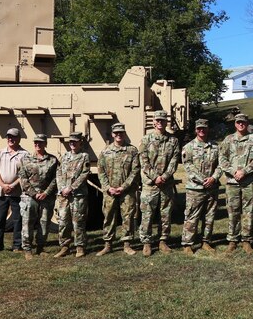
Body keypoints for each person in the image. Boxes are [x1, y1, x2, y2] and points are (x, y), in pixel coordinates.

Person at [219, 113, 253, 254]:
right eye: (238, 122)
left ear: (247, 123)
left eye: (243, 122)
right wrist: (233, 171)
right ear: (235, 124)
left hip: (249, 180)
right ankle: (233, 239)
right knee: (233, 211)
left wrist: (244, 171)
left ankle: (246, 240)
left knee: (249, 211)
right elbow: (222, 159)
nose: (241, 124)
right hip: (232, 181)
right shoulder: (228, 139)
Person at [138, 110, 181, 257]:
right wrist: (155, 177)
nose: (160, 123)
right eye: (158, 120)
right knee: (147, 214)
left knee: (165, 213)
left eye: (163, 120)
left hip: (166, 184)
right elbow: (143, 161)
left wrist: (165, 176)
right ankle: (147, 242)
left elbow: (174, 161)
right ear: (153, 122)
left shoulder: (173, 140)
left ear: (166, 122)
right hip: (150, 184)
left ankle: (163, 241)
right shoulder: (146, 139)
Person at [97, 122, 140, 256]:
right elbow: (101, 171)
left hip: (126, 191)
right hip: (110, 191)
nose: (119, 135)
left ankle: (127, 244)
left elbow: (135, 171)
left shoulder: (132, 151)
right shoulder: (105, 151)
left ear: (124, 133)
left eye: (121, 132)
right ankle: (108, 244)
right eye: (116, 133)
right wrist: (108, 188)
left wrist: (123, 187)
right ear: (112, 134)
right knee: (109, 216)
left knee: (127, 217)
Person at [180, 119, 221, 255]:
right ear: (196, 130)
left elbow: (221, 165)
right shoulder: (189, 147)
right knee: (192, 216)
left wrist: (214, 178)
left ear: (207, 129)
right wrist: (203, 180)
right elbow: (188, 166)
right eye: (199, 129)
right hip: (195, 188)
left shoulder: (216, 147)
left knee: (210, 217)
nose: (201, 131)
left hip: (212, 187)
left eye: (204, 128)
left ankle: (206, 242)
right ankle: (187, 244)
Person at [18, 134, 58, 259]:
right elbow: (23, 179)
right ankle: (28, 249)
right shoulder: (25, 159)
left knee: (44, 223)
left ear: (45, 144)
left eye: (40, 142)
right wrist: (34, 194)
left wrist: (46, 192)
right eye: (36, 142)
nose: (38, 144)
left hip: (46, 196)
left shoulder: (53, 160)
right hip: (30, 197)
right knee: (27, 222)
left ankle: (41, 247)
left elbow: (56, 179)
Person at [0, 128, 28, 255]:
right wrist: (3, 185)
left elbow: (25, 174)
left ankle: (17, 245)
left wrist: (13, 185)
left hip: (17, 192)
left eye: (13, 137)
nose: (11, 139)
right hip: (1, 192)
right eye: (9, 137)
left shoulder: (25, 154)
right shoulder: (0, 153)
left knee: (18, 220)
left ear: (19, 138)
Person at [54, 132, 91, 258]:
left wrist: (71, 187)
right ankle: (64, 247)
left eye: (75, 141)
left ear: (80, 142)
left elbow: (84, 174)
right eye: (70, 142)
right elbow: (58, 173)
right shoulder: (64, 157)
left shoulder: (84, 156)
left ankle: (80, 247)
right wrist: (62, 188)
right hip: (64, 196)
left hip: (77, 195)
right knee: (63, 221)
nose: (72, 144)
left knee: (78, 221)